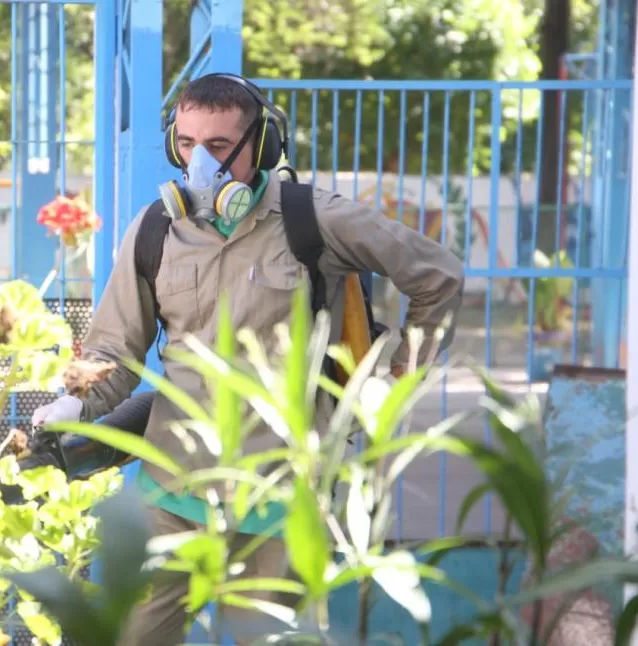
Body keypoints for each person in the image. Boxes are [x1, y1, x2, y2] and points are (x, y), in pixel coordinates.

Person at [29, 73, 465, 645]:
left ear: (261, 146)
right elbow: (115, 348)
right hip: (172, 493)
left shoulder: (316, 221)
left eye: (217, 147)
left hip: (279, 500)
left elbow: (438, 275)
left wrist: (401, 378)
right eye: (186, 145)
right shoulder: (156, 231)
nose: (198, 164)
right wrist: (74, 400)